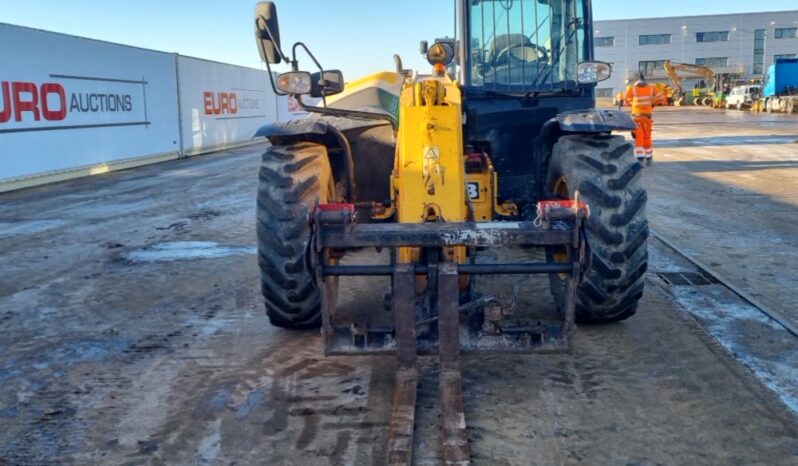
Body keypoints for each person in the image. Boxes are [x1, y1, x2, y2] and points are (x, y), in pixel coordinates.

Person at [625, 73, 667, 166]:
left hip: (637, 116)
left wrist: (633, 104)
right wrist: (652, 104)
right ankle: (649, 158)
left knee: (638, 137)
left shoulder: (632, 89)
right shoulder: (652, 88)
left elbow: (626, 101)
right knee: (647, 137)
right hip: (647, 116)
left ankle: (640, 159)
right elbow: (662, 98)